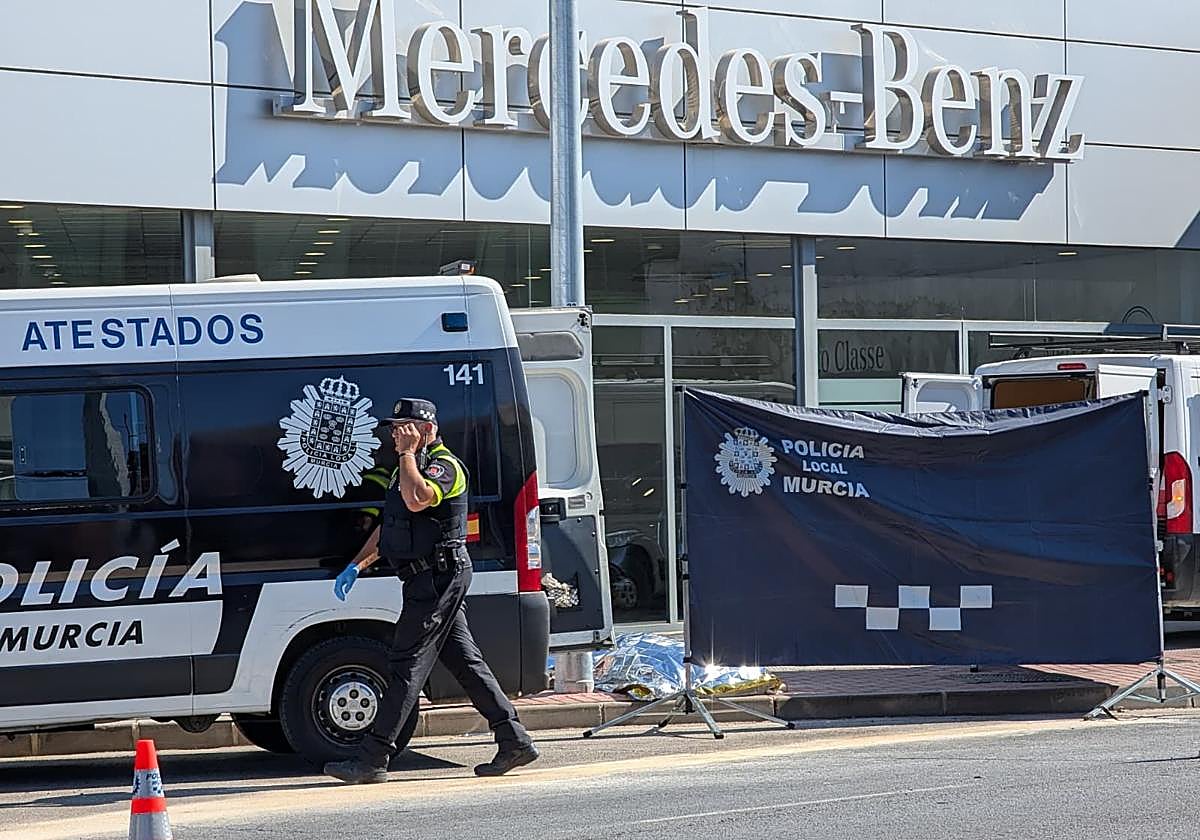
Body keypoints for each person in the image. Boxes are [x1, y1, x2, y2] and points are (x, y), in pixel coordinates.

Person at [323, 398, 539, 784]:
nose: (394, 435)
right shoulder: (405, 468)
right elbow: (391, 524)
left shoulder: (444, 467)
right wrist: (357, 564)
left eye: (401, 427)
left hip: (438, 578)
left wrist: (408, 454)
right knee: (465, 664)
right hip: (425, 580)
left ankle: (372, 759)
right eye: (393, 429)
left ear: (425, 428)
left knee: (406, 665)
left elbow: (418, 499)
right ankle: (513, 739)